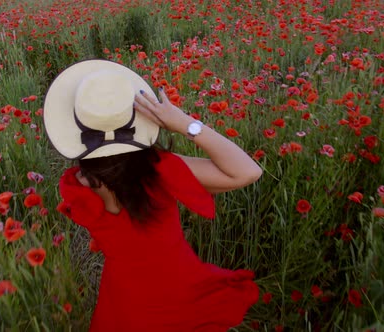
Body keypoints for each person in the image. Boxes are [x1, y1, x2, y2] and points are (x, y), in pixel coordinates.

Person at [43, 59, 263, 332]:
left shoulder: (75, 187)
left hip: (124, 304)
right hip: (179, 296)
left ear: (78, 128)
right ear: (136, 116)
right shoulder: (160, 171)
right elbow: (247, 172)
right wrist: (185, 123)